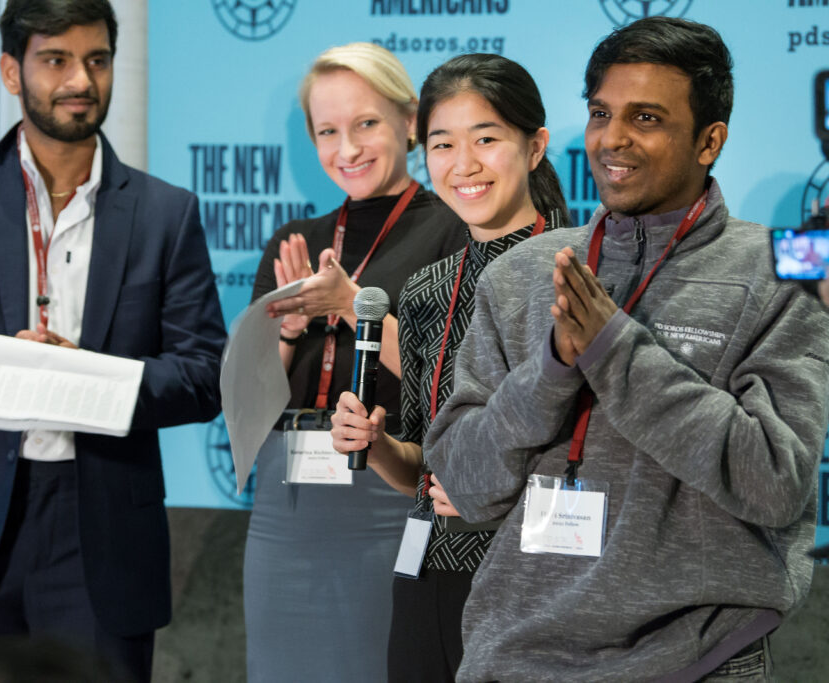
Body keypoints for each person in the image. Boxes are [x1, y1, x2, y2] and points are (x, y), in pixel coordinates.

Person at [423, 17, 829, 682]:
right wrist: (550, 372)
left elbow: (774, 479)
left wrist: (614, 352)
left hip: (699, 660)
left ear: (710, 140)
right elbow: (464, 483)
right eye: (601, 113)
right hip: (516, 659)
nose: (613, 138)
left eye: (646, 117)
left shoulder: (788, 268)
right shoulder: (524, 273)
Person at [0, 1, 225, 681]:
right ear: (13, 72)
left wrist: (85, 378)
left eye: (97, 60)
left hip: (100, 529)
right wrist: (15, 366)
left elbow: (202, 375)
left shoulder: (165, 212)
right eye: (56, 60)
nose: (81, 79)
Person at [329, 53, 568, 682]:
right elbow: (423, 470)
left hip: (534, 578)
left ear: (535, 146)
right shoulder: (428, 289)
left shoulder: (575, 276)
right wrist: (377, 445)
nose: (463, 164)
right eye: (443, 144)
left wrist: (491, 496)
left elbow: (599, 466)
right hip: (430, 574)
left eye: (486, 139)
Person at [244, 42, 467, 683]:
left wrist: (348, 305)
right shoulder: (298, 242)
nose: (348, 149)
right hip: (286, 506)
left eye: (366, 124)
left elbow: (450, 375)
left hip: (390, 491)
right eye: (328, 131)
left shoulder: (453, 229)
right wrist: (286, 333)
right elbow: (254, 406)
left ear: (409, 120)